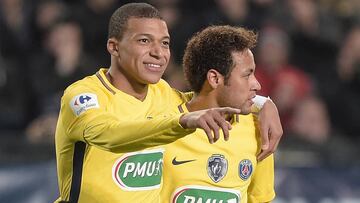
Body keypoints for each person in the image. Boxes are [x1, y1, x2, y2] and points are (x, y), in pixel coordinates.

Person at [54, 3, 282, 202]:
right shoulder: (83, 95)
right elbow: (108, 133)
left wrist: (264, 104)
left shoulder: (163, 95)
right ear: (114, 47)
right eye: (144, 41)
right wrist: (180, 122)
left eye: (164, 43)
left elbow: (206, 99)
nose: (158, 53)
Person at [161, 25, 275, 203]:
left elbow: (261, 199)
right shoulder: (162, 118)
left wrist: (266, 102)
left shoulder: (258, 130)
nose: (257, 85)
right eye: (247, 75)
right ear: (215, 79)